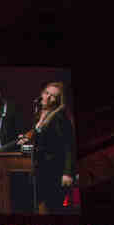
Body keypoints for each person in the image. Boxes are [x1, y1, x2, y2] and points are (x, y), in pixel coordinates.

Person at [18, 81, 75, 214]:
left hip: (54, 169)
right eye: (46, 93)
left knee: (54, 206)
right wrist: (27, 140)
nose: (48, 97)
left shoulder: (60, 117)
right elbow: (41, 139)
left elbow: (68, 145)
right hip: (41, 168)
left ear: (58, 100)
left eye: (53, 96)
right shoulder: (40, 113)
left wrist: (67, 173)